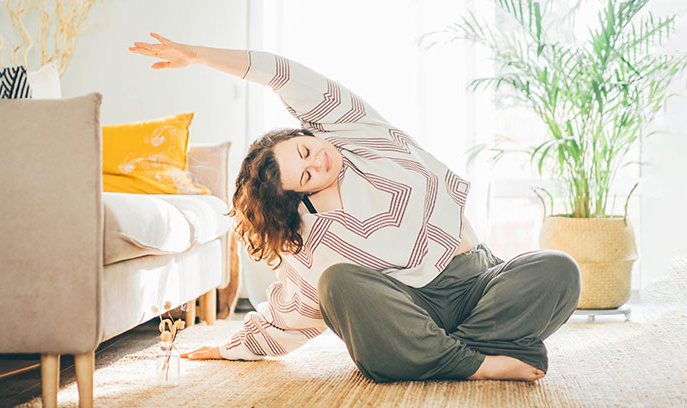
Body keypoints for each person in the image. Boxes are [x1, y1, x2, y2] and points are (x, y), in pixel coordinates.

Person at [128, 32, 581, 382]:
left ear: (303, 133)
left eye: (305, 150)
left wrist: (200, 55)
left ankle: (438, 356)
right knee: (338, 282)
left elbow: (282, 73)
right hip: (409, 309)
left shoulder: (354, 131)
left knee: (558, 270)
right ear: (298, 196)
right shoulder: (310, 236)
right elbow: (288, 314)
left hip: (478, 284)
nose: (317, 161)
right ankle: (482, 361)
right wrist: (229, 347)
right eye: (305, 175)